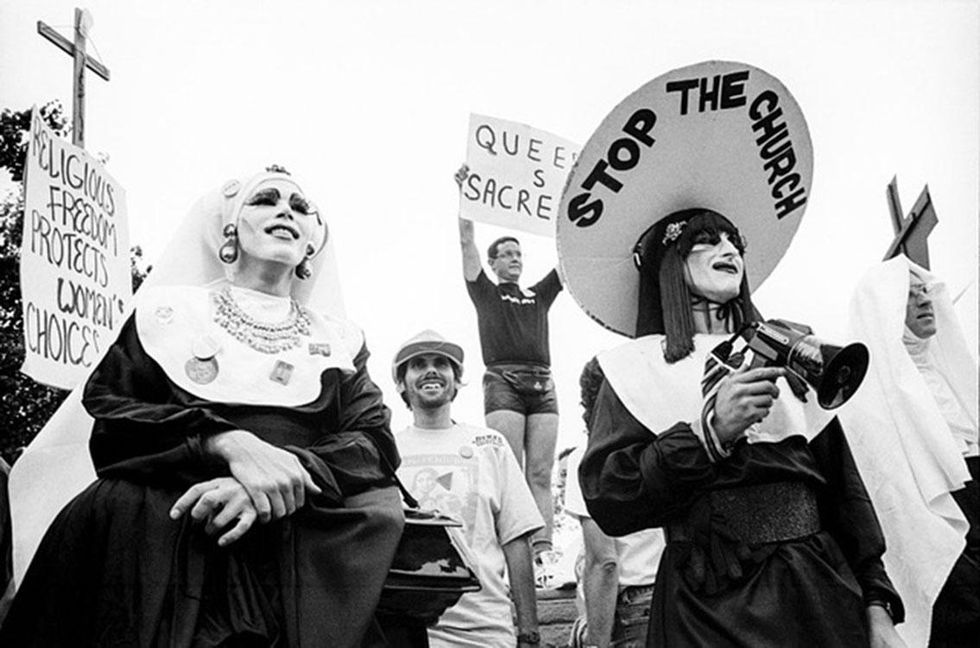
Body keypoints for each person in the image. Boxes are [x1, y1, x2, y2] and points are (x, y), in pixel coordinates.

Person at [0, 168, 406, 647]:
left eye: (300, 208)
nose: (286, 211)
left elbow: (372, 440)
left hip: (299, 532)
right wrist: (225, 443)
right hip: (164, 528)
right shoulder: (167, 314)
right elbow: (113, 418)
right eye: (266, 200)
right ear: (229, 229)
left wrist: (272, 479)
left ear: (311, 246)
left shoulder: (339, 339)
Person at [576, 208, 906, 647]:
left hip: (818, 597)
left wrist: (878, 607)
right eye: (707, 240)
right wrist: (709, 434)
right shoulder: (630, 369)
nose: (729, 249)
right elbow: (612, 499)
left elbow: (847, 497)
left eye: (734, 240)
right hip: (706, 611)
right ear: (669, 261)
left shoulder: (798, 356)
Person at [843, 256, 978, 647]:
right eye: (909, 294)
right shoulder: (871, 399)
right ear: (884, 308)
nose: (924, 300)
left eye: (926, 291)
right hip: (941, 546)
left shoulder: (953, 373)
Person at [391, 329, 543, 648]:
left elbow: (516, 538)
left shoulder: (489, 445)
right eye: (418, 364)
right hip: (407, 631)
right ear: (402, 383)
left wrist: (529, 632)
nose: (431, 370)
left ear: (456, 379)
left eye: (441, 364)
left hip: (485, 630)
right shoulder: (386, 450)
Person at [455, 165, 564, 582]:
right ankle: (510, 553)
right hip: (503, 380)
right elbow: (466, 242)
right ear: (494, 262)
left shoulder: (538, 295)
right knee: (510, 470)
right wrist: (465, 197)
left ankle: (544, 554)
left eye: (519, 254)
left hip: (543, 382)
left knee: (540, 472)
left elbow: (569, 261)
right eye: (507, 254)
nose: (516, 259)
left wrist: (572, 206)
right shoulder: (485, 291)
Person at [565, 358, 665, 648]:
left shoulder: (589, 459)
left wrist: (596, 642)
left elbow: (604, 562)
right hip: (678, 595)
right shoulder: (665, 449)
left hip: (635, 606)